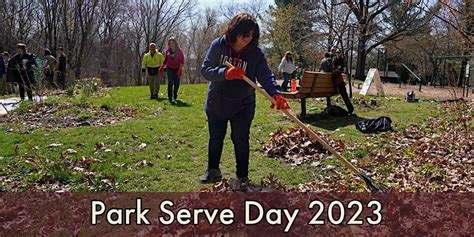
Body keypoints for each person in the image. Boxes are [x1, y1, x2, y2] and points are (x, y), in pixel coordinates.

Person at [200, 12, 289, 184]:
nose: (248, 38)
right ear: (235, 32)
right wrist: (225, 72)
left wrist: (275, 93)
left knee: (240, 138)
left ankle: (242, 176)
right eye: (245, 35)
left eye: (252, 35)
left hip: (243, 104)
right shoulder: (218, 45)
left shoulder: (254, 53)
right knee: (216, 136)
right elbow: (205, 70)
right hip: (217, 102)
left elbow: (265, 75)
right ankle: (213, 170)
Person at [163, 38, 184, 102]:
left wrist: (180, 68)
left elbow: (182, 60)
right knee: (170, 82)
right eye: (170, 43)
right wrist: (162, 66)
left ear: (175, 43)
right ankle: (170, 97)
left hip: (177, 68)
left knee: (177, 83)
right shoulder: (168, 51)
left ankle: (175, 94)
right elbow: (166, 59)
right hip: (169, 68)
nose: (171, 45)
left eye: (173, 43)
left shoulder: (179, 51)